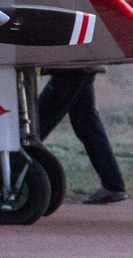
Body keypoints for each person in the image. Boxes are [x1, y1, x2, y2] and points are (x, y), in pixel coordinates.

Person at [35, 70, 126, 204]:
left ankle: (14, 172)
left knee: (37, 124)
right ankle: (113, 185)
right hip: (82, 67)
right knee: (88, 126)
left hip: (71, 69)